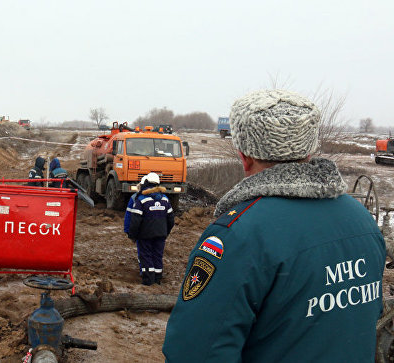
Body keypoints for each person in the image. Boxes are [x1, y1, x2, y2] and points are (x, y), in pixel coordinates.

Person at [163, 89, 386, 362]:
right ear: (309, 147)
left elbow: (195, 351)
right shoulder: (362, 221)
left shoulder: (239, 235)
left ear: (244, 156)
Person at [127, 172, 175, 285]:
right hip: (161, 235)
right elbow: (171, 220)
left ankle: (148, 281)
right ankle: (157, 280)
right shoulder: (165, 199)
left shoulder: (141, 199)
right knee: (157, 256)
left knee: (146, 257)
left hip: (145, 235)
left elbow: (135, 220)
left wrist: (132, 235)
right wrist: (165, 232)